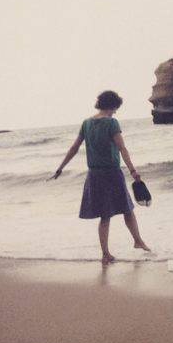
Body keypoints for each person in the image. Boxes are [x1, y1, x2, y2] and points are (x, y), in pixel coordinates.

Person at [51, 90, 151, 264]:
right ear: (112, 105)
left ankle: (106, 253)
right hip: (112, 173)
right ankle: (138, 241)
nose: (116, 112)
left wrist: (60, 168)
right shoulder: (111, 123)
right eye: (116, 108)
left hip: (94, 175)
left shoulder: (86, 123)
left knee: (105, 215)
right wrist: (133, 171)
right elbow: (122, 148)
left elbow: (74, 148)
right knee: (127, 209)